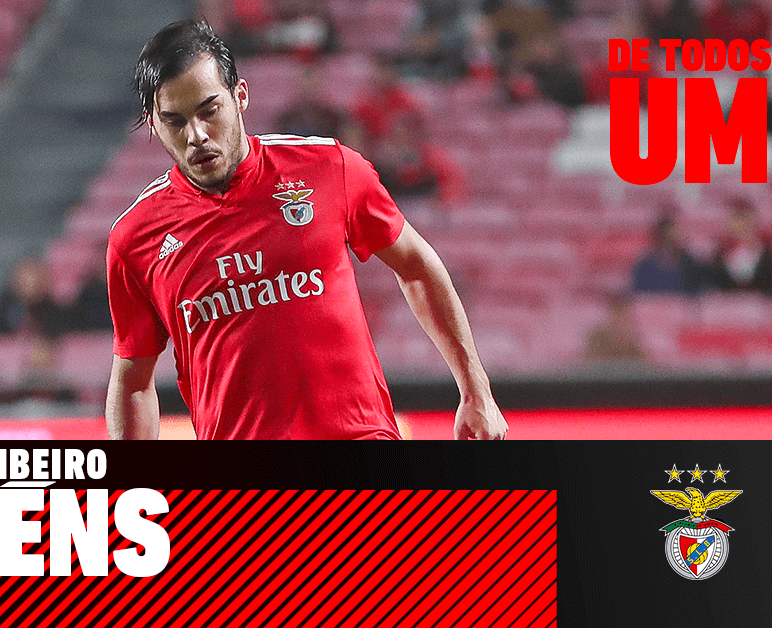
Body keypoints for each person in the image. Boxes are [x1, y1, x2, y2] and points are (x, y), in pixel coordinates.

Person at [106, 20, 506, 440]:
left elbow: (415, 266)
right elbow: (133, 381)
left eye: (210, 110)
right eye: (175, 121)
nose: (197, 135)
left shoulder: (329, 167)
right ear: (152, 124)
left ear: (240, 96)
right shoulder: (135, 238)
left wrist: (476, 390)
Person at [707, 198, 772, 297]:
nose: (742, 224)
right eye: (736, 218)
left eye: (745, 218)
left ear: (755, 221)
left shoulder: (769, 254)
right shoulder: (719, 254)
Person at [632, 211, 703, 294]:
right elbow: (640, 294)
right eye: (672, 234)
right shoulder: (646, 265)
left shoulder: (690, 264)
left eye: (679, 233)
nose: (679, 237)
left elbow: (698, 293)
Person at [583, 294, 646, 363]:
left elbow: (640, 363)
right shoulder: (597, 337)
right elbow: (589, 362)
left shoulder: (632, 339)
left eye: (624, 314)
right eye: (616, 313)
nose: (620, 318)